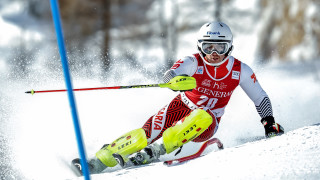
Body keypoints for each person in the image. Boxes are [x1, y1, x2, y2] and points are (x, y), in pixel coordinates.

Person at [72, 21, 284, 175]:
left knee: (202, 115)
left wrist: (269, 123)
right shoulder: (193, 61)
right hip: (180, 106)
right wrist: (174, 81)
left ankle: (157, 150)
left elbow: (260, 98)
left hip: (207, 122)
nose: (214, 53)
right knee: (143, 134)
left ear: (229, 47)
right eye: (208, 46)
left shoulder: (240, 70)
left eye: (220, 47)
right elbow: (171, 73)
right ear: (199, 46)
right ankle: (97, 162)